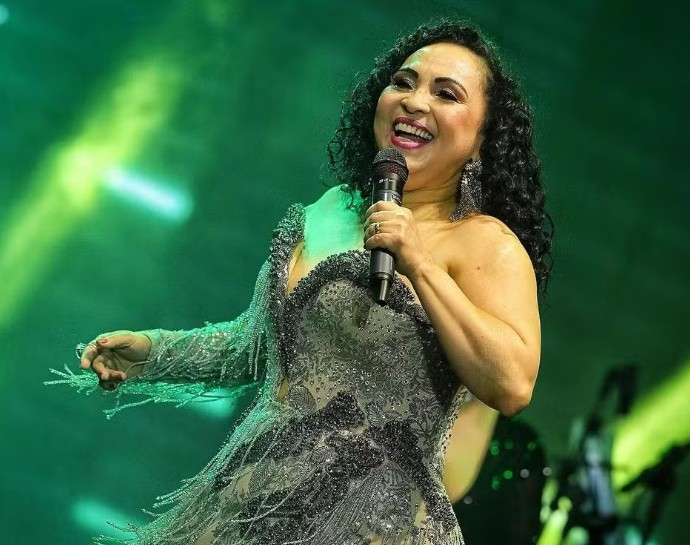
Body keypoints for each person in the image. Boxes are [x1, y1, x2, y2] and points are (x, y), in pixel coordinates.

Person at [51, 19, 552, 545]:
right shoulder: (331, 209)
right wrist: (152, 353)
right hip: (248, 501)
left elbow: (512, 384)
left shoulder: (484, 243)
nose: (414, 101)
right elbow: (253, 349)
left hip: (373, 525)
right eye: (403, 83)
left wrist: (420, 264)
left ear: (482, 140)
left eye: (445, 94)